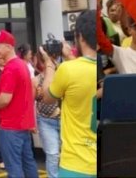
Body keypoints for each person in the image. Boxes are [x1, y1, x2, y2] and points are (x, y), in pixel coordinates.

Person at [40, 10, 96, 178]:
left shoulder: (68, 69)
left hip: (76, 164)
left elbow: (47, 96)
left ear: (80, 36)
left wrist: (49, 64)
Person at [0, 30, 38, 178]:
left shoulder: (10, 68)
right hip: (22, 125)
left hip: (10, 126)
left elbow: (4, 99)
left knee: (14, 167)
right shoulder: (22, 65)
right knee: (28, 163)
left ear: (9, 47)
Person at [32, 57, 60, 178]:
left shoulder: (62, 75)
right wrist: (32, 122)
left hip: (65, 118)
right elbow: (31, 102)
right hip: (45, 120)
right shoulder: (35, 80)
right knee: (53, 154)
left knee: (68, 155)